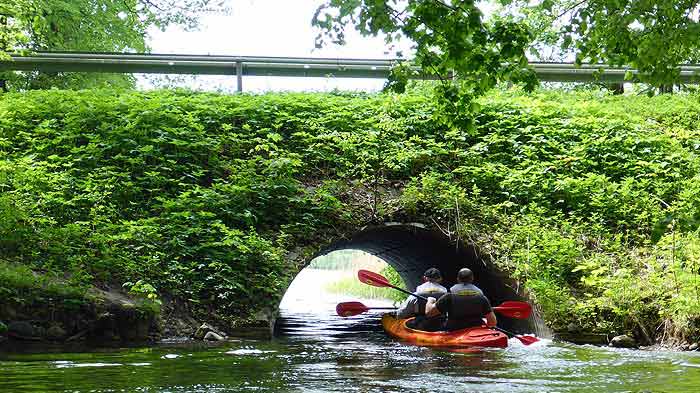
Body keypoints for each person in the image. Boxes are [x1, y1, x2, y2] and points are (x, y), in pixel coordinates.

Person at [425, 268, 497, 330]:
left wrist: (430, 301)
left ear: (458, 279)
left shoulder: (449, 296)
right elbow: (492, 323)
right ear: (472, 279)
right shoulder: (482, 297)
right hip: (475, 329)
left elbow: (429, 313)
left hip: (454, 330)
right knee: (484, 320)